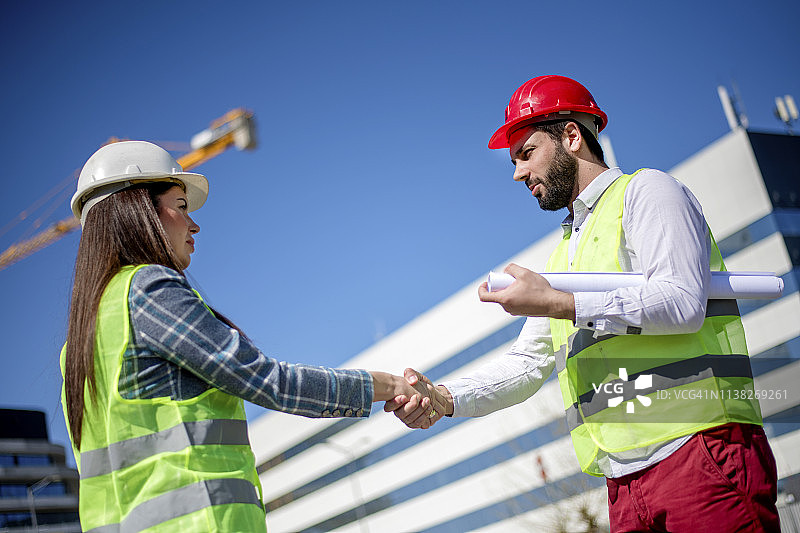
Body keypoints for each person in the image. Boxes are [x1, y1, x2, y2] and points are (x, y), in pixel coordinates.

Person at [387, 76, 779, 532]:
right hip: (623, 485)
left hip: (702, 454)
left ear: (571, 136)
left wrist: (560, 301)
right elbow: (526, 365)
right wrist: (443, 398)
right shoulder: (561, 258)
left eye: (526, 153)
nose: (517, 173)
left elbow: (681, 301)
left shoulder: (648, 192)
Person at [60, 140, 438, 533]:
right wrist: (392, 384)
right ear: (135, 209)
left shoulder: (79, 345)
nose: (194, 225)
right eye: (181, 205)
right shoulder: (146, 289)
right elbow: (270, 382)